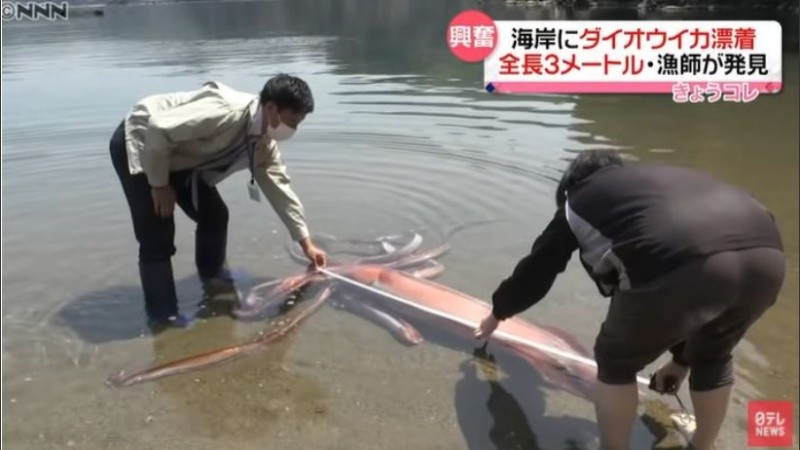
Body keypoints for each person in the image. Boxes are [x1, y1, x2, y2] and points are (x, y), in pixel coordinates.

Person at [473, 150, 785, 450]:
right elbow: (701, 273)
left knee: (616, 361)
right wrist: (680, 361)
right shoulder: (653, 182)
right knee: (713, 356)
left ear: (570, 184)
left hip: (684, 261)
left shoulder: (578, 200)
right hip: (768, 255)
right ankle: (702, 445)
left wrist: (498, 312)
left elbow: (537, 271)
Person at [110, 74, 328, 332]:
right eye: (292, 120)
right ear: (271, 108)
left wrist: (306, 244)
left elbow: (281, 189)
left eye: (298, 123)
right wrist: (159, 185)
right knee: (157, 235)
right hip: (141, 142)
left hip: (179, 156)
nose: (293, 129)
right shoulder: (226, 112)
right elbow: (159, 128)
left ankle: (213, 278)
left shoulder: (264, 143)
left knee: (215, 215)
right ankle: (163, 318)